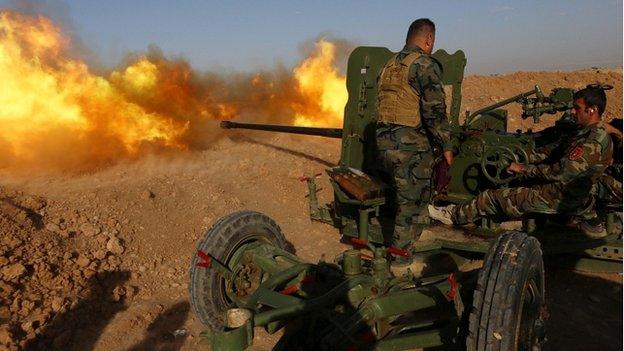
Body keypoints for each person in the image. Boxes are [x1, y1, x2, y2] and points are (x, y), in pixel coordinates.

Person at [428, 85, 613, 238]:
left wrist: (523, 168)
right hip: (569, 191)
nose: (572, 112)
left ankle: (451, 215)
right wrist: (523, 157)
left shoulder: (592, 142)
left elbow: (561, 172)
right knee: (514, 183)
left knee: (491, 197)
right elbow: (552, 154)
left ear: (592, 110)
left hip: (562, 196)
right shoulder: (584, 132)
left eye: (577, 108)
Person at [375, 18, 454, 252]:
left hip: (384, 146)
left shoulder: (388, 66)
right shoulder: (424, 65)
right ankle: (399, 260)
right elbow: (434, 112)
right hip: (410, 149)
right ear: (428, 39)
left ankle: (414, 242)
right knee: (410, 206)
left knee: (407, 199)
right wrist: (447, 144)